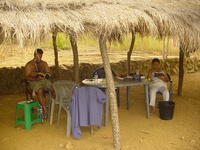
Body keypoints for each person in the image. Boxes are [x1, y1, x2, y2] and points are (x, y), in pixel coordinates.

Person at [25, 48, 55, 119]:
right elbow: (27, 78)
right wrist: (36, 78)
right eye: (38, 57)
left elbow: (49, 72)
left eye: (41, 57)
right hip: (34, 81)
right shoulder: (29, 65)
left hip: (44, 80)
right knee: (40, 90)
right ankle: (45, 110)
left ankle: (60, 103)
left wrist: (47, 74)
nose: (39, 58)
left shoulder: (44, 63)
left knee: (53, 87)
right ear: (34, 55)